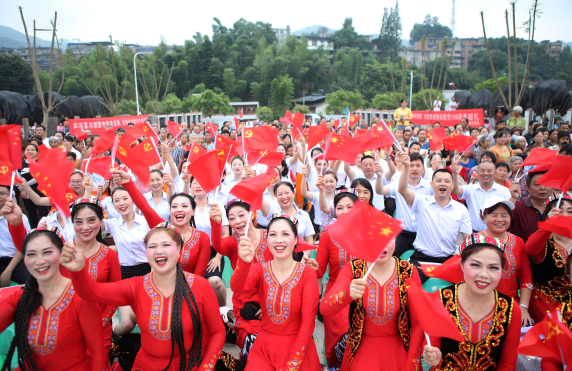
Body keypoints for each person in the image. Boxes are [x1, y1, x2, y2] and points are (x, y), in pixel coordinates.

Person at [60, 223, 226, 370]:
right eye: (152, 246)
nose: (158, 251)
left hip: (189, 365)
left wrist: (207, 367)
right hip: (146, 365)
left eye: (166, 245)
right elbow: (92, 292)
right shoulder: (136, 286)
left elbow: (217, 332)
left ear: (179, 249)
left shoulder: (200, 285)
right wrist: (78, 271)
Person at [0, 226, 107, 370]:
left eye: (47, 252)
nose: (39, 261)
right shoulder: (20, 298)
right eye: (31, 254)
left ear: (62, 253)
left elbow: (97, 353)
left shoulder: (81, 298)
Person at [231, 214, 320, 370]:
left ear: (296, 240)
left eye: (285, 234)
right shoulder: (259, 269)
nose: (279, 240)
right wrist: (244, 263)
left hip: (298, 348)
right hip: (264, 348)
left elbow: (308, 322)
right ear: (267, 241)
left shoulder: (307, 273)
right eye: (273, 234)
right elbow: (237, 287)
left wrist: (293, 363)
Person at [320, 235, 423, 371]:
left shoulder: (408, 271)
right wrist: (347, 295)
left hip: (399, 356)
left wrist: (412, 363)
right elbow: (325, 308)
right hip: (360, 355)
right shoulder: (353, 269)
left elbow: (418, 323)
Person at [423, 234, 521, 370]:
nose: (484, 275)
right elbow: (430, 345)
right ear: (462, 265)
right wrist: (431, 356)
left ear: (502, 271)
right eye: (476, 265)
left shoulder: (511, 309)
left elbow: (507, 364)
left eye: (493, 268)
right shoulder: (441, 299)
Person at [398, 153, 471, 283]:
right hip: (422, 259)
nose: (443, 184)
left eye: (447, 181)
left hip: (448, 260)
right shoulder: (421, 202)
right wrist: (406, 167)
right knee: (408, 290)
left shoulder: (461, 209)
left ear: (452, 185)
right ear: (431, 184)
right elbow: (402, 189)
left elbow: (468, 239)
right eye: (439, 181)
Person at [209, 199, 269, 356]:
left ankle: (226, 318)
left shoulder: (271, 237)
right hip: (246, 306)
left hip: (273, 301)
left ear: (252, 215)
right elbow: (217, 245)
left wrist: (271, 304)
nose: (237, 221)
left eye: (241, 215)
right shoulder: (232, 242)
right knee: (255, 349)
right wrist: (215, 224)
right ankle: (231, 320)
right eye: (231, 218)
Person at [314, 190, 360, 368]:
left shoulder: (368, 234)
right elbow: (319, 272)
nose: (345, 211)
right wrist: (310, 267)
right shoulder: (327, 235)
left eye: (350, 207)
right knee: (342, 337)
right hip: (337, 294)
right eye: (340, 208)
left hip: (364, 293)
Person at [478, 197, 533, 325]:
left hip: (511, 305)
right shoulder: (474, 240)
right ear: (484, 217)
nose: (500, 219)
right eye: (494, 215)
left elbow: (526, 278)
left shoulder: (518, 242)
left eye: (504, 215)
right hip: (480, 306)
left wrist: (523, 307)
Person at [524, 193, 572, 323]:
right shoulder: (543, 239)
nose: (566, 216)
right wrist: (547, 226)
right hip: (545, 301)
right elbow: (529, 249)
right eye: (559, 211)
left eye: (570, 211)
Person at [376, 154, 433, 257]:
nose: (414, 168)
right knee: (390, 255)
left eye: (418, 165)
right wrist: (379, 177)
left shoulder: (430, 186)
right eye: (411, 165)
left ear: (423, 169)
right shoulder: (397, 184)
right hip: (403, 233)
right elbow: (380, 190)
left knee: (424, 260)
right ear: (406, 166)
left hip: (422, 233)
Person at [451, 160, 515, 232]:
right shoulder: (470, 188)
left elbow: (509, 210)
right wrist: (455, 174)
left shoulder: (504, 190)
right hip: (475, 233)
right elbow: (456, 190)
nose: (486, 173)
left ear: (495, 173)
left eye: (489, 171)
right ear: (477, 173)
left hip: (497, 233)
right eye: (482, 170)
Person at [510, 170, 552, 242]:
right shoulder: (517, 207)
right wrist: (513, 198)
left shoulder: (556, 208)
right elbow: (502, 218)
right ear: (527, 188)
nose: (542, 188)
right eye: (537, 184)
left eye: (546, 183)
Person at [0, 188, 31, 287]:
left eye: (2, 193)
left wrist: (8, 271)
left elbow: (24, 246)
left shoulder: (20, 217)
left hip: (15, 260)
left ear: (11, 196)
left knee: (31, 280)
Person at [19, 143, 50, 228]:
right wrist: (21, 189)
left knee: (43, 212)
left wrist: (25, 186)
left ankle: (46, 229)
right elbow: (17, 177)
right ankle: (34, 231)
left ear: (37, 152)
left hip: (39, 190)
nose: (30, 151)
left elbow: (39, 177)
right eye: (27, 150)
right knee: (31, 213)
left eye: (32, 150)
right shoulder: (20, 164)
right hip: (25, 192)